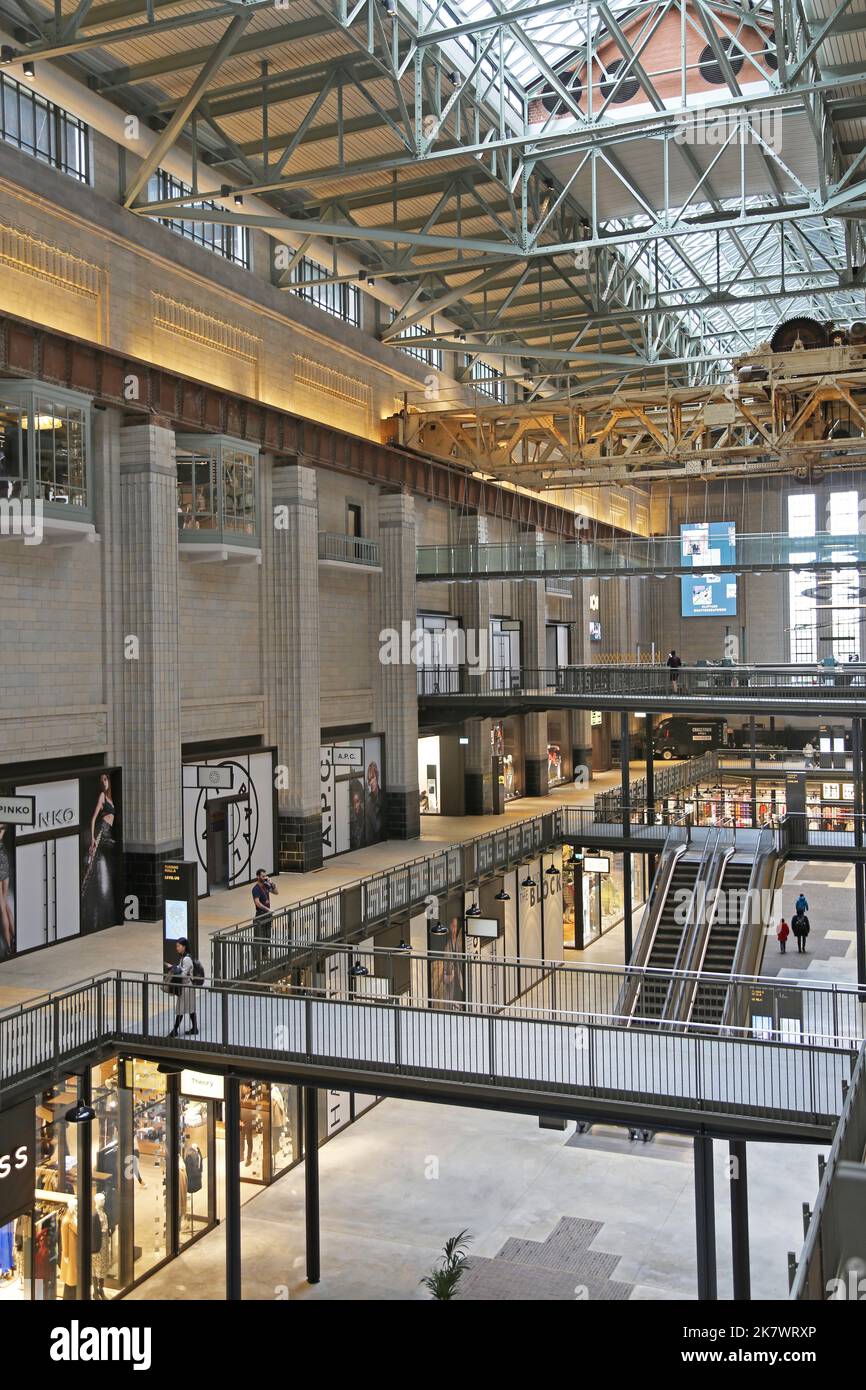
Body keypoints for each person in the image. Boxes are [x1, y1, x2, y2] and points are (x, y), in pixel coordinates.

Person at [165, 937, 197, 1036]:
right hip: (187, 987)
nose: (177, 948)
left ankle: (175, 1030)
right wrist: (175, 967)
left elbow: (183, 974)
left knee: (180, 1009)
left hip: (186, 987)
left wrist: (173, 968)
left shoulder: (186, 959)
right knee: (190, 1008)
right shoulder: (184, 957)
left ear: (184, 947)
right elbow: (183, 970)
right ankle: (194, 1028)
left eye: (178, 946)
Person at [252, 868, 277, 961]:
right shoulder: (256, 889)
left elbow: (276, 892)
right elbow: (257, 903)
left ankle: (265, 954)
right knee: (259, 936)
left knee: (267, 935)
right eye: (262, 876)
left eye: (265, 876)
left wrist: (272, 883)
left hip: (267, 914)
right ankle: (257, 956)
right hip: (261, 914)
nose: (264, 878)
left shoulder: (266, 885)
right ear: (258, 876)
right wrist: (268, 909)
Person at [0, 824, 14, 958]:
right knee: (5, 902)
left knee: (1, 907)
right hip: (3, 854)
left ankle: (8, 946)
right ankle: (14, 937)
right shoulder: (4, 819)